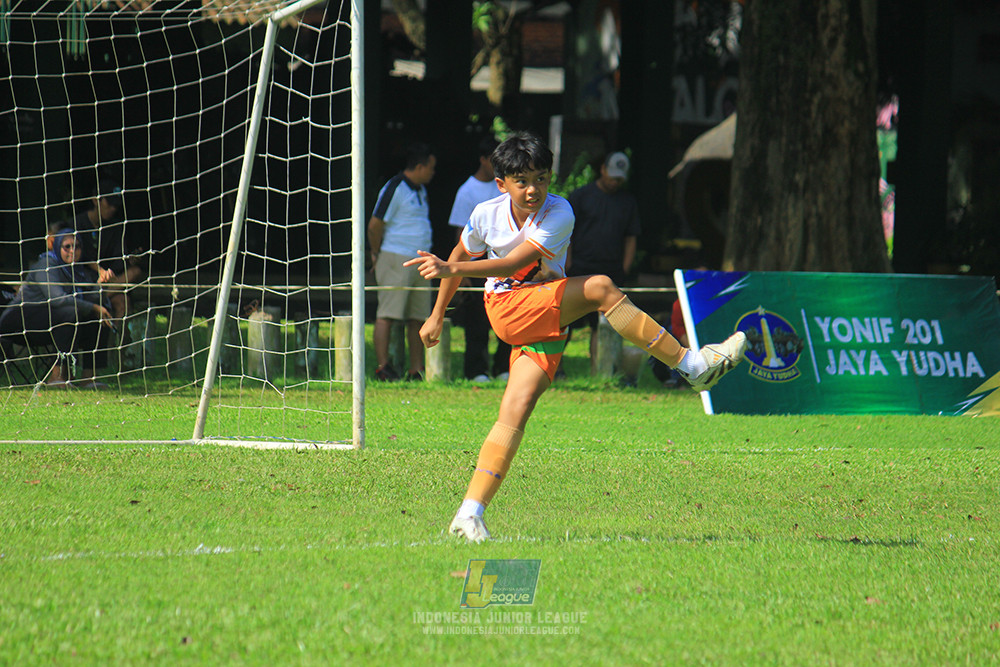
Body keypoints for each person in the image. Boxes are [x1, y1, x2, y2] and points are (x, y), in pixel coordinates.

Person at [404, 132, 748, 542]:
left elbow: (512, 260)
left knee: (514, 413)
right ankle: (693, 366)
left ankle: (469, 513)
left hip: (546, 313)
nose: (533, 190)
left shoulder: (559, 210)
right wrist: (436, 314)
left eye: (542, 179)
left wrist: (451, 273)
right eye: (522, 181)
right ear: (501, 184)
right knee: (601, 287)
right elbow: (459, 257)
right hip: (510, 309)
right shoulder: (485, 214)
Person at [0, 228, 114, 387]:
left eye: (77, 246)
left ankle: (88, 378)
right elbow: (58, 299)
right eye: (67, 246)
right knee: (71, 313)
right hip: (20, 320)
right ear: (57, 246)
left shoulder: (76, 270)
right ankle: (56, 376)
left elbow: (86, 300)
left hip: (52, 321)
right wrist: (94, 307)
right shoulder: (46, 265)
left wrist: (101, 286)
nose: (73, 250)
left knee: (98, 317)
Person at [565, 151, 642, 374]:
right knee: (565, 321)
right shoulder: (580, 196)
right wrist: (567, 261)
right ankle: (555, 368)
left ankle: (600, 371)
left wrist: (625, 268)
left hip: (611, 271)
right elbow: (566, 232)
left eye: (620, 178)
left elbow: (631, 237)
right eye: (612, 175)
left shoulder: (627, 202)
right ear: (603, 169)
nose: (615, 181)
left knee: (604, 326)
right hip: (579, 267)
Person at [368, 143, 437, 381]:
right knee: (387, 313)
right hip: (395, 257)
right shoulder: (394, 187)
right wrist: (376, 253)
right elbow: (375, 225)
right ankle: (383, 366)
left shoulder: (420, 190)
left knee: (418, 316)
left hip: (420, 260)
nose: (433, 172)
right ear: (419, 166)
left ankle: (415, 369)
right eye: (431, 168)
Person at [446, 135, 511, 382]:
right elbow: (460, 235)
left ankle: (503, 367)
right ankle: (477, 370)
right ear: (483, 160)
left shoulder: (506, 187)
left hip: (504, 261)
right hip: (475, 264)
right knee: (477, 322)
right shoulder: (467, 190)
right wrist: (461, 271)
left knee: (506, 317)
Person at [49, 180, 145, 323]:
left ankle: (115, 342)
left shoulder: (117, 226)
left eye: (116, 205)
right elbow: (73, 255)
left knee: (125, 295)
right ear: (95, 200)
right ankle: (96, 297)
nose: (113, 208)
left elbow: (117, 259)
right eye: (109, 203)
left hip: (109, 281)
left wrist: (127, 261)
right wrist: (99, 270)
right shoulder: (76, 224)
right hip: (82, 278)